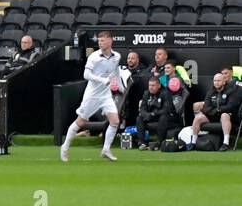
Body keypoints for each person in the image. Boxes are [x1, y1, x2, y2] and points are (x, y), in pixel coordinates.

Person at [60, 30, 122, 162]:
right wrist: (102, 80)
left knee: (115, 121)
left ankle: (106, 149)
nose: (100, 43)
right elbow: (86, 75)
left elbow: (116, 69)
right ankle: (65, 147)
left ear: (111, 41)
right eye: (99, 40)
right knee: (80, 122)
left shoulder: (117, 56)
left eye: (103, 40)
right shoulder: (94, 57)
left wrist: (120, 85)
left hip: (106, 95)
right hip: (92, 96)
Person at [187, 71, 241, 150]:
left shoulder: (230, 91)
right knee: (198, 118)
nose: (216, 83)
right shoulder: (211, 92)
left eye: (218, 81)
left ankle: (225, 143)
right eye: (215, 81)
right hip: (212, 116)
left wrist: (217, 110)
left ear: (223, 82)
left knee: (224, 115)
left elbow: (230, 106)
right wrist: (214, 111)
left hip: (225, 116)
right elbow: (206, 107)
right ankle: (193, 142)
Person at [134, 76, 179, 148]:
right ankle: (142, 142)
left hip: (167, 118)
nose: (151, 87)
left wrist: (153, 114)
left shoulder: (166, 93)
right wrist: (146, 115)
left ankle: (159, 142)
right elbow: (142, 108)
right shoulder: (146, 93)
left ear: (159, 85)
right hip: (152, 117)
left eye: (153, 85)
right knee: (139, 118)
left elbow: (167, 109)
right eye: (149, 85)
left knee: (163, 117)